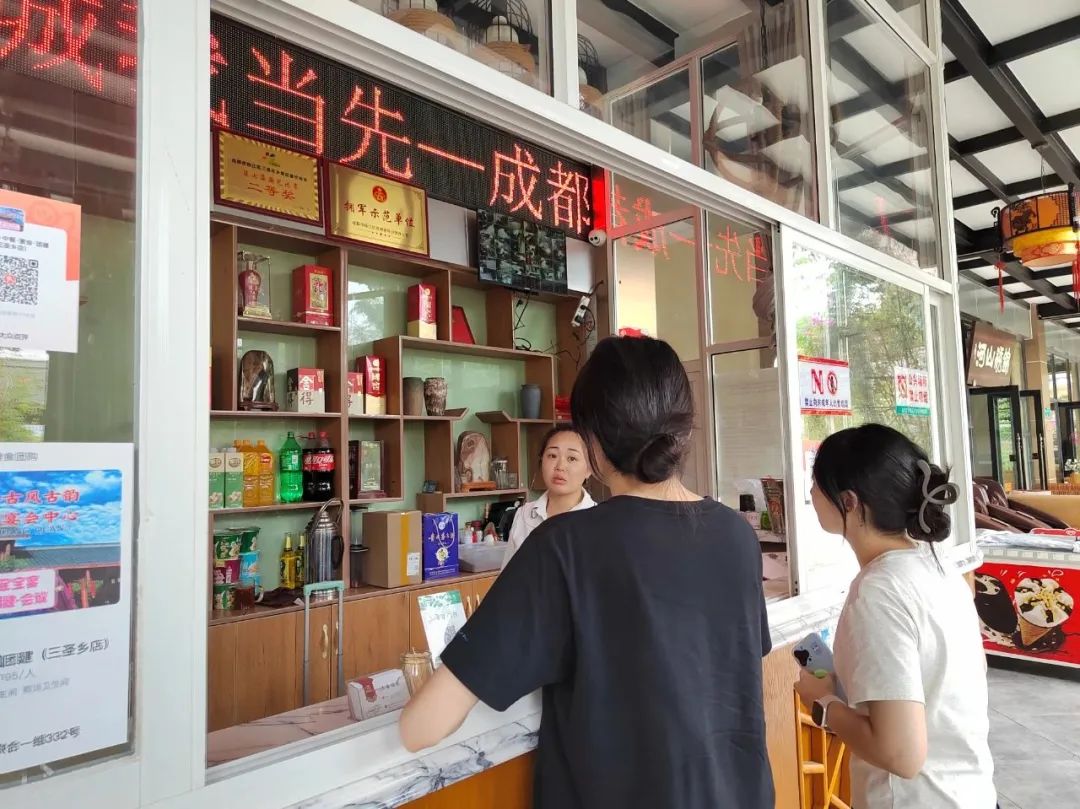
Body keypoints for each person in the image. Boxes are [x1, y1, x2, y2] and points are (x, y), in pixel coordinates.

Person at [400, 336, 774, 809]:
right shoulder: (736, 535)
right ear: (683, 427)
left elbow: (421, 727)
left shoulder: (564, 546)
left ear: (593, 440)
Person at [795, 424, 996, 809]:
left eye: (816, 484)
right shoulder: (938, 567)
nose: (811, 493)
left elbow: (901, 755)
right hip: (968, 794)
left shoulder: (879, 592)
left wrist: (824, 703)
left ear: (849, 502)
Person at [500, 426, 595, 571]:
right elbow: (507, 577)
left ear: (589, 470)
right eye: (552, 456)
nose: (560, 466)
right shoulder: (524, 515)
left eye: (572, 458)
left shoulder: (600, 521)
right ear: (541, 460)